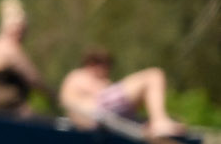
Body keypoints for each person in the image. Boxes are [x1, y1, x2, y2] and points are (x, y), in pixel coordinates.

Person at [59, 47, 189, 137]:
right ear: (91, 64)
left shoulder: (90, 81)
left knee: (147, 98)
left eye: (108, 64)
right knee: (154, 75)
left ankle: (157, 122)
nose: (107, 68)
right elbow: (72, 104)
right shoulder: (79, 76)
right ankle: (160, 122)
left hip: (105, 119)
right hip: (97, 114)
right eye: (103, 64)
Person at [0, 0, 46, 116]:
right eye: (17, 27)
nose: (21, 31)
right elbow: (34, 80)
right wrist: (55, 96)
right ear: (6, 27)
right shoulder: (10, 49)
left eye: (22, 28)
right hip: (2, 113)